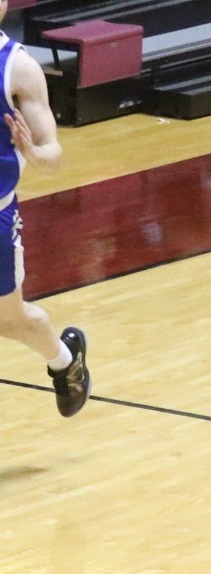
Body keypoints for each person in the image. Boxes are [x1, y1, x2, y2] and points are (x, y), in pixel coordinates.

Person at [0, 16, 88, 416]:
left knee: (10, 321)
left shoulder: (17, 66)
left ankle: (65, 362)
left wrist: (32, 152)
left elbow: (53, 155)